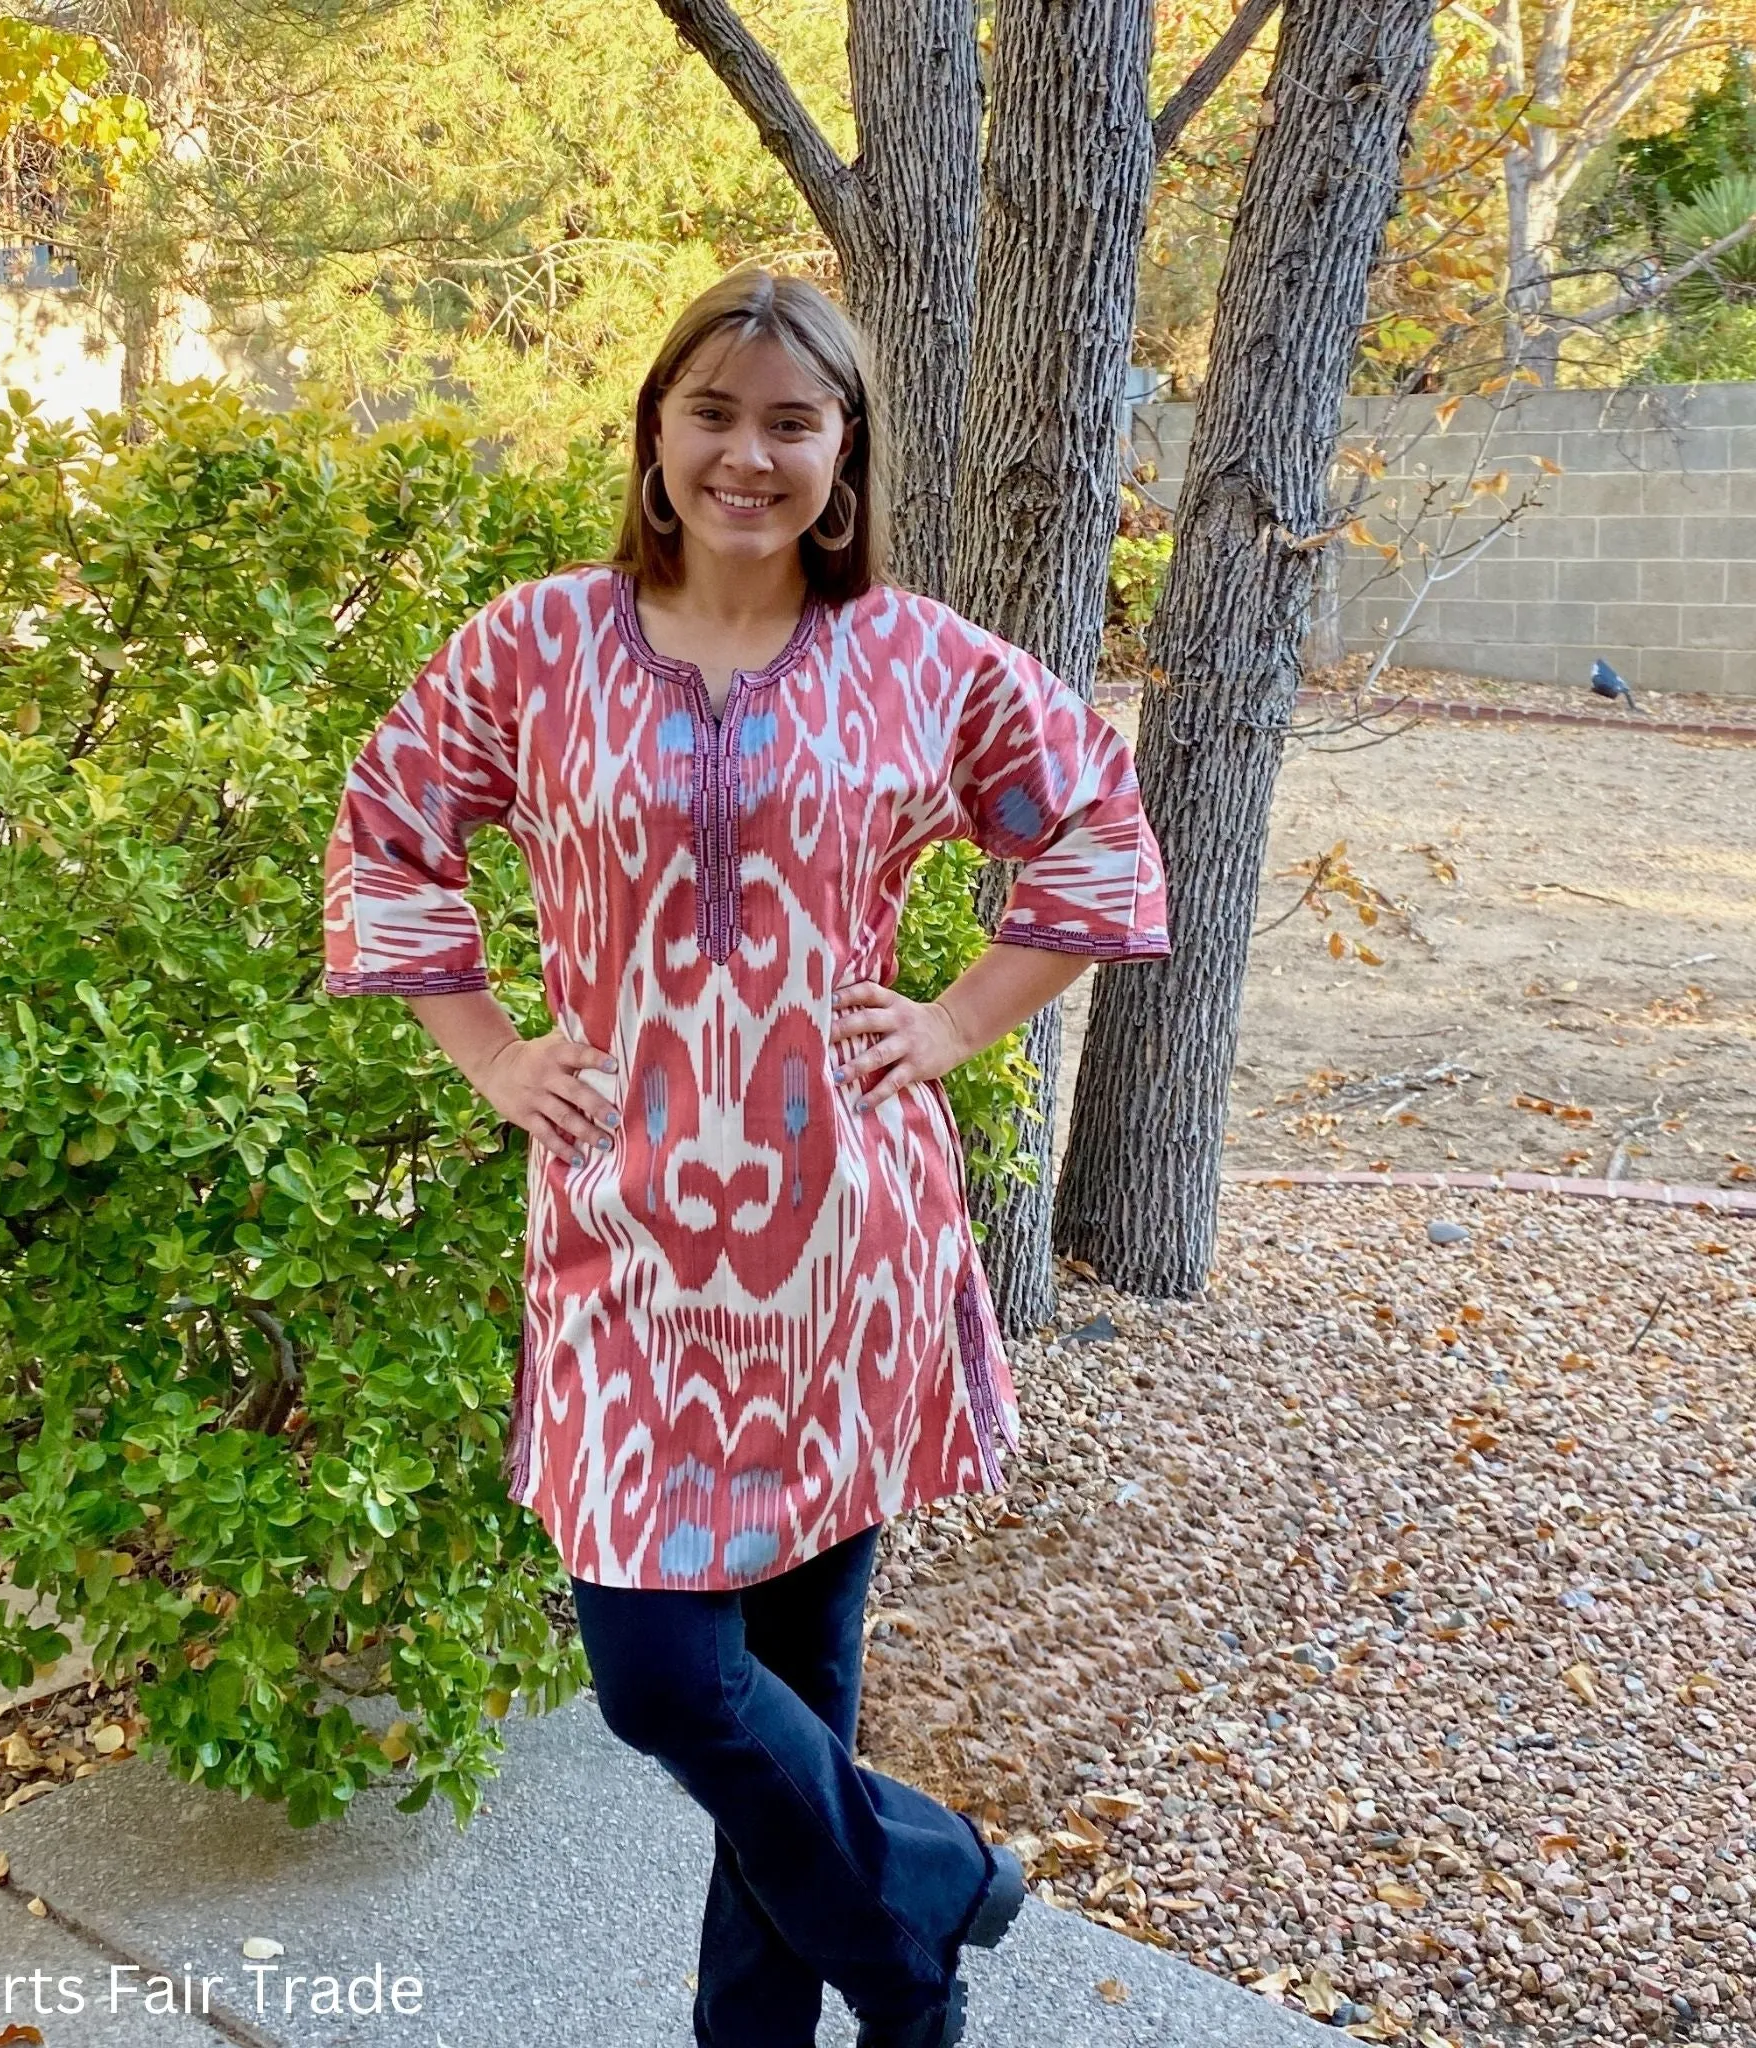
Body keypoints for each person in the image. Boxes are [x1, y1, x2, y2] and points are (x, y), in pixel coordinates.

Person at [323, 267, 1171, 2048]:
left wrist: (947, 1023)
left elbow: (1094, 825)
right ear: (654, 431)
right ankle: (926, 1890)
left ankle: (820, 2020)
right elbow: (391, 831)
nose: (749, 453)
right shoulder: (535, 647)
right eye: (714, 411)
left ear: (844, 451)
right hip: (623, 1233)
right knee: (658, 1676)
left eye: (793, 420)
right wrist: (487, 1049)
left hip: (840, 1239)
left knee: (796, 1683)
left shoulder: (916, 659)